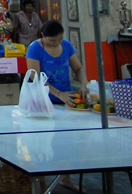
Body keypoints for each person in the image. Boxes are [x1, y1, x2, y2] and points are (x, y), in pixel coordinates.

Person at [26, 19, 89, 194]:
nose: (56, 43)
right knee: (42, 143)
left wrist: (84, 84)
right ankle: (41, 183)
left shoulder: (67, 46)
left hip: (66, 102)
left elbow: (78, 68)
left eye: (59, 39)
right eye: (52, 40)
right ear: (43, 36)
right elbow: (35, 78)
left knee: (67, 142)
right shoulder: (35, 48)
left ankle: (66, 178)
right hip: (43, 105)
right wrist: (57, 93)